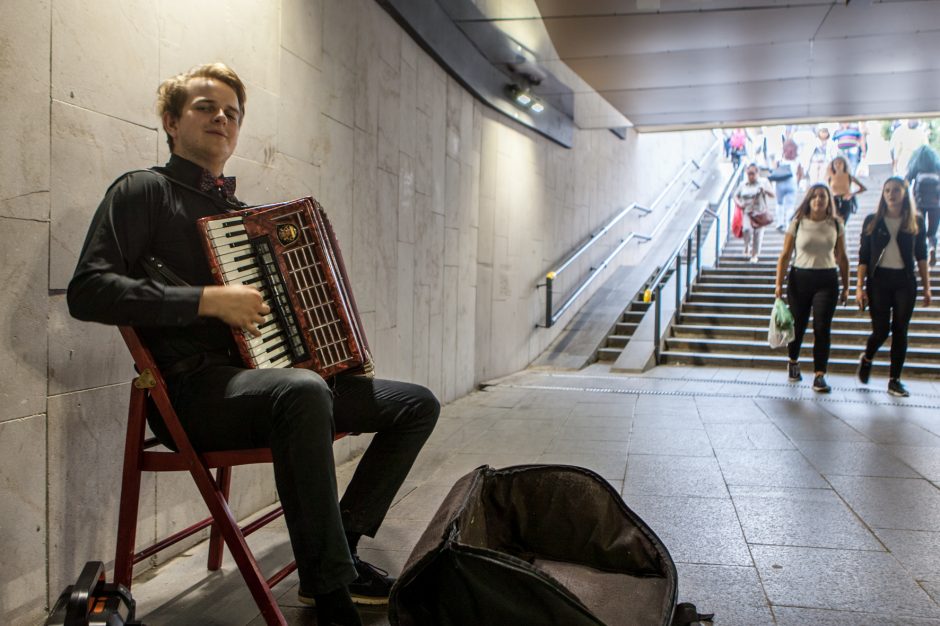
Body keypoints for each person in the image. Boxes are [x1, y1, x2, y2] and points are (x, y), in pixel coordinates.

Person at [66, 63, 439, 626]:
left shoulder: (241, 217)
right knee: (303, 392)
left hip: (266, 386)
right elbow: (88, 292)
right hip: (191, 395)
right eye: (204, 107)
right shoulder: (143, 191)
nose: (221, 118)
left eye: (232, 113)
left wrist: (330, 350)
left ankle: (343, 548)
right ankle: (332, 595)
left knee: (414, 404)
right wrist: (207, 300)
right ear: (170, 121)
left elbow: (281, 324)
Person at [856, 177, 933, 397]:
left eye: (896, 190)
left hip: (904, 281)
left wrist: (927, 287)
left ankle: (894, 380)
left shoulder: (915, 221)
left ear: (904, 193)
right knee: (881, 330)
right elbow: (863, 256)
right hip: (878, 281)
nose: (891, 194)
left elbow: (921, 256)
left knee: (901, 328)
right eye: (887, 190)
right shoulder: (873, 220)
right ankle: (868, 357)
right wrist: (859, 287)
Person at [774, 184, 850, 392]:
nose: (818, 200)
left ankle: (819, 374)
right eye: (815, 196)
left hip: (827, 279)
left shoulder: (836, 224)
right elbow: (785, 255)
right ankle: (793, 360)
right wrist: (778, 284)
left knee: (822, 327)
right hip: (800, 278)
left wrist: (847, 286)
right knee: (798, 325)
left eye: (823, 196)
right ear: (809, 200)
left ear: (828, 201)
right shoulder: (797, 223)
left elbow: (842, 257)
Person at [905, 144, 940, 266]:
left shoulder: (917, 162)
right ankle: (932, 248)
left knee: (918, 229)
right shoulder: (937, 163)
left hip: (919, 202)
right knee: (932, 231)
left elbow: (907, 180)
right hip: (936, 203)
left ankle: (919, 257)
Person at [734, 163, 775, 263]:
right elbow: (735, 195)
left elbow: (773, 194)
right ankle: (746, 245)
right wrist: (739, 204)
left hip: (760, 213)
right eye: (748, 174)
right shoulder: (743, 184)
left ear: (757, 173)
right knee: (746, 229)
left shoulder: (764, 182)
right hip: (747, 212)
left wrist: (764, 190)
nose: (750, 176)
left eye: (752, 173)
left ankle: (754, 255)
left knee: (757, 234)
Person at [771, 138, 803, 231]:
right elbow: (800, 173)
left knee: (779, 203)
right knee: (790, 206)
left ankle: (779, 223)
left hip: (780, 183)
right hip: (792, 183)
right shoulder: (797, 160)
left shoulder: (779, 159)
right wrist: (797, 182)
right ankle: (789, 225)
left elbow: (774, 170)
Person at [827, 155, 867, 225]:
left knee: (843, 222)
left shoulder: (849, 176)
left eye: (840, 163)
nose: (837, 165)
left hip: (846, 200)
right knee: (834, 222)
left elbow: (863, 188)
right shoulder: (830, 177)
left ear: (844, 165)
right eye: (835, 163)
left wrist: (851, 194)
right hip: (834, 200)